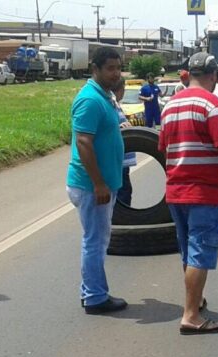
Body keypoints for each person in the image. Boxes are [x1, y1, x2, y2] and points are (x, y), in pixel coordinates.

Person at [159, 52, 218, 335]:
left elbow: (164, 148)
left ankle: (196, 300)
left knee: (188, 249)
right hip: (206, 191)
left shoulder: (170, 106)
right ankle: (190, 315)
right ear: (213, 76)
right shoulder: (212, 105)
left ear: (189, 74)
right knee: (201, 249)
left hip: (177, 190)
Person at [66, 47, 128, 315]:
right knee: (95, 241)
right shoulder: (90, 99)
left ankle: (90, 291)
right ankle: (94, 297)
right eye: (110, 68)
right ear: (96, 69)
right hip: (91, 186)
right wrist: (99, 183)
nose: (116, 73)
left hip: (103, 183)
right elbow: (83, 142)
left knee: (99, 240)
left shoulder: (105, 96)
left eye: (118, 68)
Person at [110, 80, 138, 207]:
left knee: (125, 192)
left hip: (122, 161)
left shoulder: (115, 104)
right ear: (121, 89)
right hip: (117, 162)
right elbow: (106, 127)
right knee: (122, 196)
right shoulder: (110, 104)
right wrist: (119, 128)